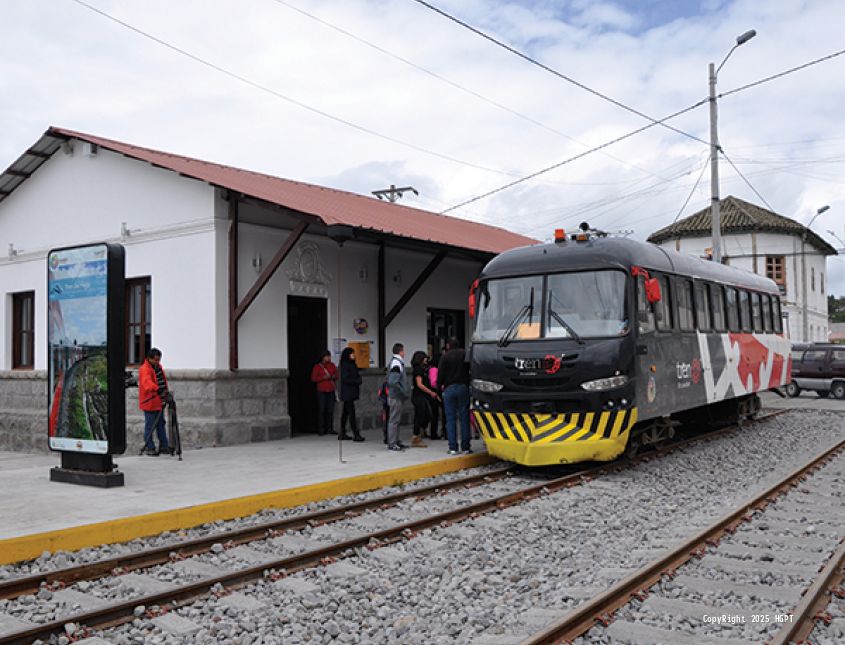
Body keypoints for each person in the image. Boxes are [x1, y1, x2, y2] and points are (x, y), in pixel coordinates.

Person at [438, 337, 471, 455]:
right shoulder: (465, 354)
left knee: (450, 419)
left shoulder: (445, 357)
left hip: (449, 388)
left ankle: (453, 447)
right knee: (464, 417)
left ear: (448, 346)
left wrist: (438, 389)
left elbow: (440, 374)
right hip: (463, 387)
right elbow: (470, 369)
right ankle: (466, 447)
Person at [138, 347, 170, 456]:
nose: (158, 362)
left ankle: (164, 446)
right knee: (150, 425)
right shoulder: (144, 369)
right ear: (149, 358)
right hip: (149, 402)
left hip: (159, 401)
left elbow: (162, 380)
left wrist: (165, 392)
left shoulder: (158, 367)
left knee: (161, 424)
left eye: (159, 359)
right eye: (155, 360)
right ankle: (149, 447)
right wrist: (157, 389)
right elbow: (147, 383)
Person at [410, 351, 438, 447]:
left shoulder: (423, 368)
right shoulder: (418, 370)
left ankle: (421, 431)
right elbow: (419, 384)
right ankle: (416, 436)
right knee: (420, 416)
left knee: (427, 414)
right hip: (419, 396)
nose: (427, 360)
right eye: (425, 358)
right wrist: (430, 392)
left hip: (423, 396)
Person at [386, 343, 409, 451]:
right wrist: (403, 391)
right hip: (396, 396)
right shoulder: (397, 363)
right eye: (403, 351)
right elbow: (392, 381)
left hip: (395, 396)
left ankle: (396, 440)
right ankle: (392, 443)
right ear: (400, 351)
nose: (404, 353)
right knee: (394, 420)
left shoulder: (396, 362)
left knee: (396, 420)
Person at [339, 347, 364, 442]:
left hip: (351, 391)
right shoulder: (344, 365)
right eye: (352, 354)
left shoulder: (352, 364)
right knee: (351, 413)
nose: (354, 355)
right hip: (347, 392)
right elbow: (345, 378)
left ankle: (342, 432)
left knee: (345, 413)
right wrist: (356, 381)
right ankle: (356, 433)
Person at [310, 350, 338, 436]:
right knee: (322, 410)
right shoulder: (317, 367)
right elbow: (313, 378)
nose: (328, 358)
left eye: (329, 356)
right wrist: (323, 377)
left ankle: (329, 428)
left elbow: (337, 375)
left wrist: (333, 376)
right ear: (323, 357)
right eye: (327, 356)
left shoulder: (332, 365)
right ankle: (321, 429)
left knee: (330, 410)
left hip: (330, 389)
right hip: (321, 390)